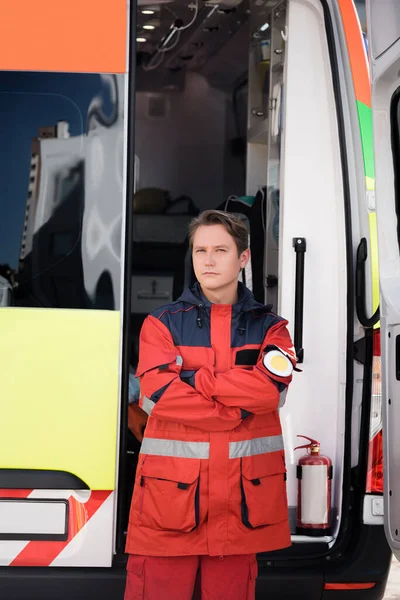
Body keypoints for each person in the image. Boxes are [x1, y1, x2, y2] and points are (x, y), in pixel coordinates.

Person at [124, 210, 297, 600]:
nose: (208, 259)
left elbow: (269, 391)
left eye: (220, 249)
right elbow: (161, 394)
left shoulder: (272, 328)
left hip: (237, 507)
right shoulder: (161, 324)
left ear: (243, 258)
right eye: (200, 250)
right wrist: (234, 407)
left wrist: (197, 380)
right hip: (171, 504)